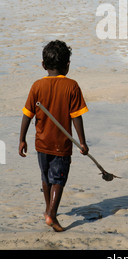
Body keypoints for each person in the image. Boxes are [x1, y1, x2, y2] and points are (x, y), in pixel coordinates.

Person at [19, 40, 89, 232]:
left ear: (43, 65)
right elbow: (76, 117)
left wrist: (22, 139)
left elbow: (27, 115)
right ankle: (52, 214)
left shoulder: (37, 86)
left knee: (46, 177)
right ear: (67, 65)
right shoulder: (72, 86)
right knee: (58, 179)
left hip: (41, 143)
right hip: (61, 145)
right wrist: (82, 142)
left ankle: (48, 208)